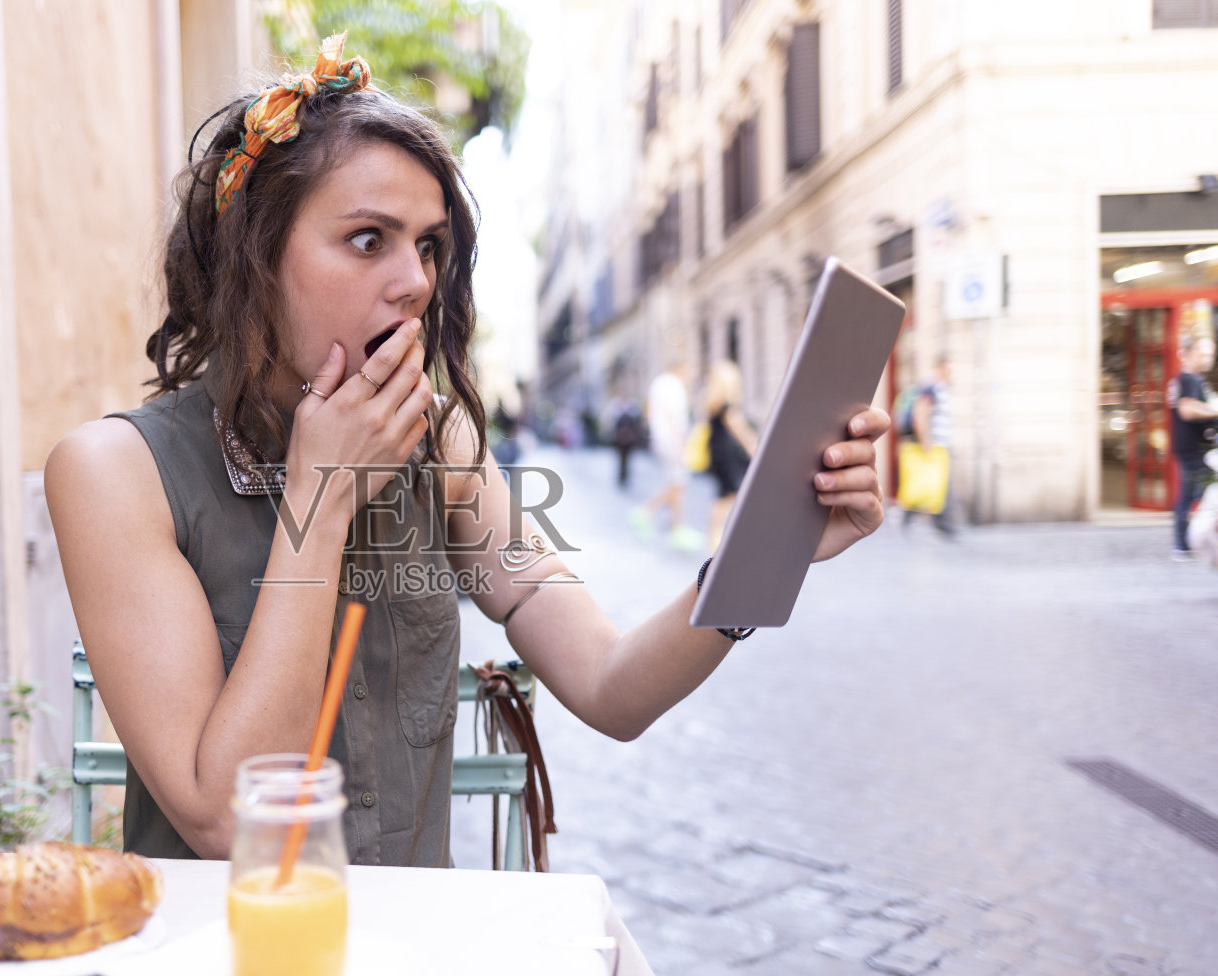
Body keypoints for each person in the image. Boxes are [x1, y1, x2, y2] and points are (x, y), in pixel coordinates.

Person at [44, 34, 891, 867]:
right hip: (217, 975)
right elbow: (225, 822)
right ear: (252, 257)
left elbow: (608, 683)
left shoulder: (440, 446)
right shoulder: (114, 474)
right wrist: (321, 497)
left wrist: (766, 553)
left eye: (429, 246)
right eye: (368, 239)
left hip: (415, 970)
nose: (415, 281)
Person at [629, 364, 704, 550]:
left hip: (661, 440)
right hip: (672, 442)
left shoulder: (658, 384)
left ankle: (676, 526)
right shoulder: (673, 386)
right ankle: (646, 512)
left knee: (677, 484)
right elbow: (675, 418)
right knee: (678, 484)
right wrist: (682, 445)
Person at [1169, 336, 1218, 561]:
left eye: (1211, 354)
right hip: (1193, 449)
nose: (1208, 358)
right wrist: (1214, 410)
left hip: (1193, 448)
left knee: (1190, 497)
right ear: (1190, 353)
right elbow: (1187, 410)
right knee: (1196, 496)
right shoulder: (1188, 378)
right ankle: (1184, 544)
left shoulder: (1192, 379)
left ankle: (1184, 544)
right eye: (1203, 354)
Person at [702, 361, 757, 552]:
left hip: (717, 453)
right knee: (731, 495)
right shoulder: (727, 406)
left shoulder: (713, 404)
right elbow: (741, 431)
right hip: (729, 457)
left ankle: (715, 536)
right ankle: (717, 537)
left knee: (724, 495)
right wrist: (755, 448)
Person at [900, 356, 956, 537]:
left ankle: (916, 517)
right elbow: (920, 413)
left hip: (939, 443)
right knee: (937, 484)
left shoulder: (936, 386)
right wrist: (926, 441)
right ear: (940, 367)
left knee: (932, 484)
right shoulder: (932, 387)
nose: (952, 372)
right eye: (949, 368)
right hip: (935, 445)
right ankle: (940, 521)